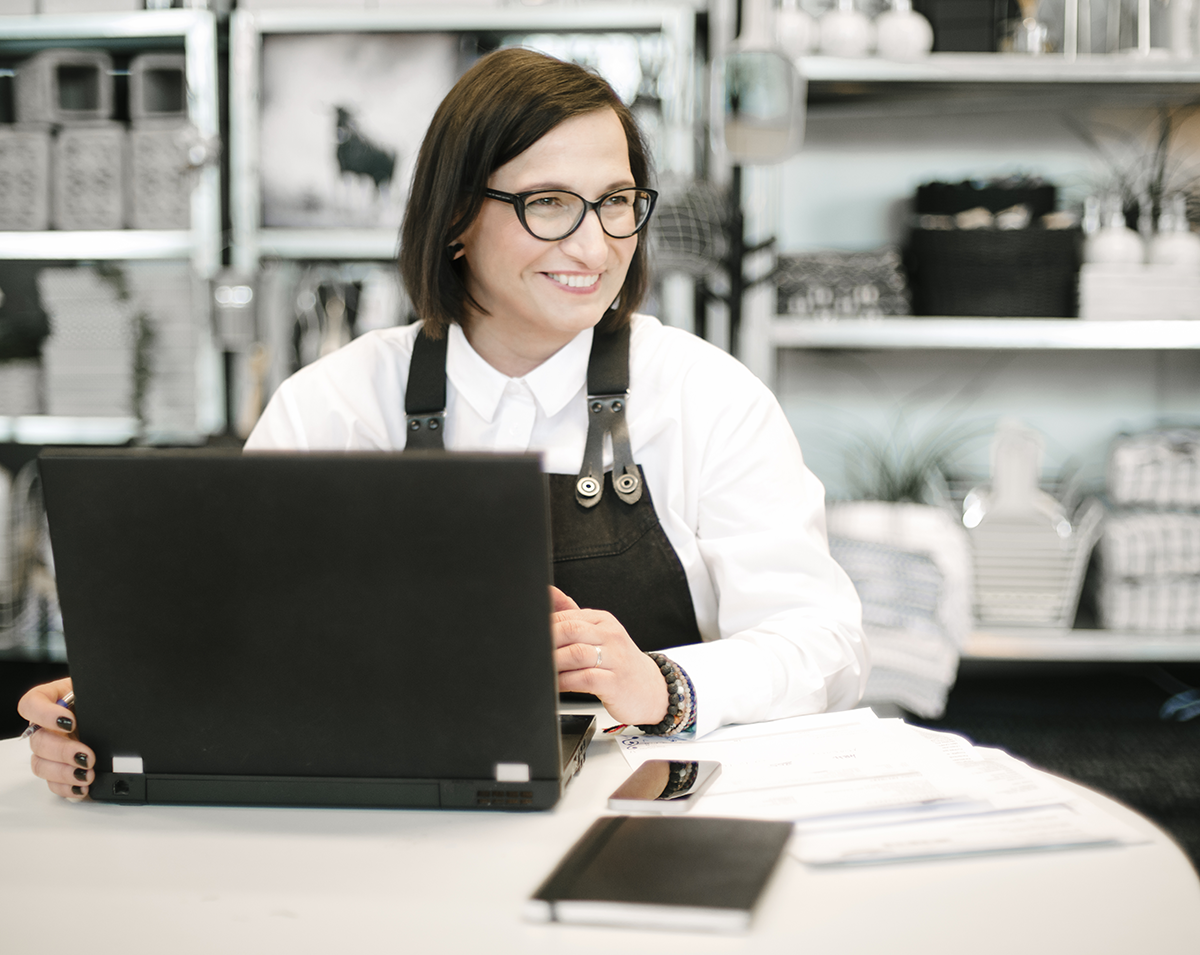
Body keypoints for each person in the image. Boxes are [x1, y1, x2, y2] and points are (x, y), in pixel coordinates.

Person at [19, 47, 867, 801]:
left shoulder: (702, 396)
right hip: (391, 829)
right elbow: (233, 652)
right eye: (547, 203)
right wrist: (99, 710)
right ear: (457, 220)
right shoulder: (335, 406)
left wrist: (664, 684)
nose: (594, 245)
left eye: (615, 202)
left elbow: (824, 644)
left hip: (643, 821)